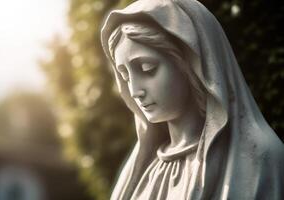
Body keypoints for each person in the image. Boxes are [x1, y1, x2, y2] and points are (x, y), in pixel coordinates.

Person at [100, 0, 284, 199]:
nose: (135, 91)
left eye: (147, 69)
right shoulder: (138, 173)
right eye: (125, 76)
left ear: (190, 62)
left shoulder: (257, 159)